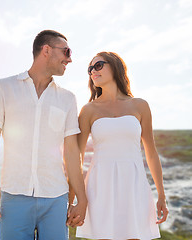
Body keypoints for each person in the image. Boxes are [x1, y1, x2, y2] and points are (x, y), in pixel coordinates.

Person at [0, 30, 87, 240]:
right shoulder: (3, 88)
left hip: (56, 198)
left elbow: (72, 153)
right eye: (66, 51)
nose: (70, 59)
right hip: (14, 196)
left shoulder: (68, 99)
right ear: (46, 50)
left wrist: (81, 200)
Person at [75, 52, 169, 239]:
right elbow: (76, 156)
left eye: (99, 65)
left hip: (134, 183)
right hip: (99, 185)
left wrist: (161, 195)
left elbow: (150, 152)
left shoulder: (140, 105)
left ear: (116, 67)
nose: (93, 71)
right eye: (90, 68)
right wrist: (73, 199)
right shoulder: (88, 110)